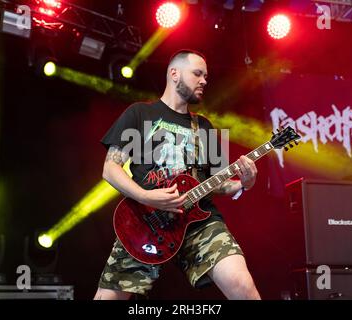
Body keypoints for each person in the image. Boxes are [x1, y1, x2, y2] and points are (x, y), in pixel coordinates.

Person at [94, 49, 261, 300]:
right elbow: (110, 169)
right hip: (144, 221)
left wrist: (244, 184)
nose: (204, 80)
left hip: (198, 222)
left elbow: (220, 184)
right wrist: (147, 196)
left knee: (241, 283)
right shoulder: (139, 113)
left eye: (206, 75)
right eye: (197, 73)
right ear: (174, 73)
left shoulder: (203, 126)